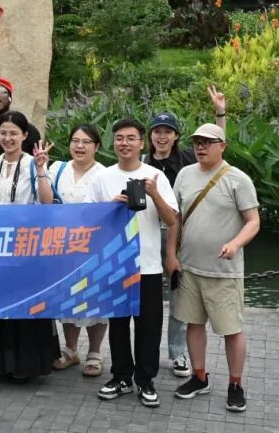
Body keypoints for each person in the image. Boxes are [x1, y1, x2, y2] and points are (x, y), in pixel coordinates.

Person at [167, 123, 260, 413]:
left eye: (207, 142)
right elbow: (175, 218)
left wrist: (235, 243)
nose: (200, 147)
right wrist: (171, 254)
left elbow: (253, 221)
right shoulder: (184, 174)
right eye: (197, 142)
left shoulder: (238, 179)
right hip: (189, 267)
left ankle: (235, 384)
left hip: (224, 272)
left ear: (222, 146)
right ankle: (199, 376)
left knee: (232, 329)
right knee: (193, 324)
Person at [91, 118, 178, 408]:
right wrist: (110, 207)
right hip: (114, 264)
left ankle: (145, 379)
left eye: (131, 138)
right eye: (119, 138)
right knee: (117, 323)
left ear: (142, 143)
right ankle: (121, 376)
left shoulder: (155, 175)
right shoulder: (102, 177)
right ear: (113, 142)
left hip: (148, 264)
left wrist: (154, 194)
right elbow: (89, 222)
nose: (124, 143)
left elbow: (171, 220)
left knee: (148, 325)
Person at [144, 86, 227, 377]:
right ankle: (145, 351)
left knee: (180, 298)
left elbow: (217, 144)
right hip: (148, 236)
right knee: (147, 299)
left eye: (167, 131)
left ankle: (177, 353)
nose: (162, 136)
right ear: (150, 136)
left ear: (176, 136)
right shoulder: (142, 164)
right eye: (157, 131)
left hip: (181, 238)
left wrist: (220, 112)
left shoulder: (189, 160)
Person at [0, 112, 59, 381]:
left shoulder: (32, 163)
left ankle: (27, 365)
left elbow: (47, 201)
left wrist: (41, 170)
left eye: (13, 133)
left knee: (26, 304)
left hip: (27, 245)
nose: (8, 138)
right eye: (3, 133)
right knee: (1, 303)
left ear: (25, 136)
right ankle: (2, 364)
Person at [37, 123, 108, 377]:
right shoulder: (58, 169)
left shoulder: (104, 174)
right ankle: (70, 349)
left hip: (93, 247)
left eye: (86, 142)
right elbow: (46, 202)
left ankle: (95, 352)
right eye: (75, 141)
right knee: (67, 299)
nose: (80, 146)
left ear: (96, 147)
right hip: (62, 247)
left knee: (94, 300)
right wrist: (41, 170)